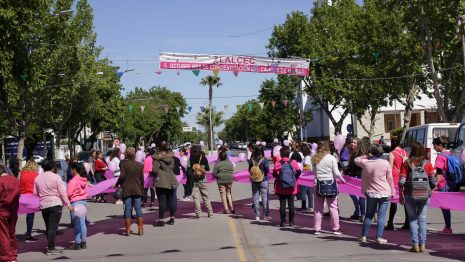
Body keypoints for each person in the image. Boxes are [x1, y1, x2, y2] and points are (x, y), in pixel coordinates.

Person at [399, 142, 436, 253]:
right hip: (424, 195)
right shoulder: (427, 164)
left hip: (410, 194)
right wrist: (431, 190)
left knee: (413, 219)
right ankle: (423, 245)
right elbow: (433, 181)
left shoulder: (406, 163)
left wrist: (401, 194)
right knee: (422, 219)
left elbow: (402, 181)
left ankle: (415, 244)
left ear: (412, 151)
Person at [355, 144, 395, 244]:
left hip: (371, 192)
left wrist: (367, 156)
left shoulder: (366, 163)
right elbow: (390, 179)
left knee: (369, 215)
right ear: (382, 153)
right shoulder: (385, 163)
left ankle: (364, 236)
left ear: (371, 152)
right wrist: (392, 190)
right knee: (381, 216)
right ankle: (379, 237)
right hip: (384, 192)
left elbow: (356, 159)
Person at [34, 159, 73, 255]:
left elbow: (35, 193)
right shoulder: (56, 177)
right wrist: (68, 204)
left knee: (48, 227)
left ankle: (50, 246)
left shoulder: (37, 178)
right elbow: (62, 192)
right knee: (53, 227)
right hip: (55, 204)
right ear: (52, 166)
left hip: (44, 205)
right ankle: (51, 248)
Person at [312, 141, 346, 235]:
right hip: (330, 184)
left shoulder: (314, 158)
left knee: (318, 208)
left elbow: (314, 172)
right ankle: (336, 228)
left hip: (318, 183)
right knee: (333, 207)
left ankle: (317, 228)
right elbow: (336, 172)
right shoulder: (331, 158)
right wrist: (342, 179)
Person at [115, 147, 144, 236]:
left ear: (126, 154)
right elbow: (142, 179)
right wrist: (142, 189)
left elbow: (122, 176)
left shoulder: (124, 164)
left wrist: (117, 184)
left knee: (128, 208)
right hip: (137, 189)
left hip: (127, 189)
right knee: (138, 208)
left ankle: (127, 230)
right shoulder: (139, 165)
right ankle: (140, 229)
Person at [432, 136, 456, 234]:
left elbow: (439, 172)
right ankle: (448, 226)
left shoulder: (440, 157)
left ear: (440, 146)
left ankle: (448, 227)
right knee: (447, 206)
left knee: (444, 206)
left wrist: (436, 185)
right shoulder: (450, 154)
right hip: (451, 183)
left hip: (443, 184)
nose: (434, 147)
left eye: (435, 145)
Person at [273, 146, 301, 227]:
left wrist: (280, 178)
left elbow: (274, 174)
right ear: (289, 154)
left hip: (281, 187)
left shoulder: (278, 163)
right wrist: (294, 179)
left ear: (281, 154)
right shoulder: (294, 162)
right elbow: (298, 172)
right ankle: (291, 221)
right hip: (292, 187)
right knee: (291, 205)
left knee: (282, 205)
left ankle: (283, 221)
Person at [152, 144, 179, 226]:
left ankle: (161, 220)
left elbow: (155, 170)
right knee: (171, 200)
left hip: (161, 180)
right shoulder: (171, 158)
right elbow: (173, 167)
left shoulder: (157, 159)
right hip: (171, 179)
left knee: (162, 201)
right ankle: (172, 218)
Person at [386, 140, 409, 230]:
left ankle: (390, 222)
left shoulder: (392, 153)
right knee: (405, 200)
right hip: (404, 175)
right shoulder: (405, 152)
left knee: (393, 201)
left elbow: (390, 167)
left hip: (395, 176)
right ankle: (407, 222)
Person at [0, 164, 20, 262]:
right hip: (13, 210)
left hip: (2, 211)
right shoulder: (15, 180)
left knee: (4, 235)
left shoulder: (0, 181)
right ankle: (13, 256)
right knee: (12, 234)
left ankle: (6, 257)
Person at [67, 163, 89, 250]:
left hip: (75, 203)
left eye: (71, 169)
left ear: (74, 170)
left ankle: (77, 243)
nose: (71, 171)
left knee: (76, 224)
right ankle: (83, 242)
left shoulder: (73, 181)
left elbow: (68, 193)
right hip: (83, 202)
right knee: (83, 223)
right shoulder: (84, 180)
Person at [189, 144, 213, 218]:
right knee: (205, 197)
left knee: (196, 197)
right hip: (202, 179)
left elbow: (189, 169)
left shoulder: (191, 157)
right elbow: (208, 169)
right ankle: (210, 213)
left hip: (194, 179)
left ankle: (198, 213)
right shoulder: (203, 157)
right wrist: (202, 168)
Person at [346, 137, 367, 221]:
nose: (352, 144)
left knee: (358, 195)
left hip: (357, 176)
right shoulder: (352, 152)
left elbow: (352, 166)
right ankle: (359, 212)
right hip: (357, 175)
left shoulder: (357, 154)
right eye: (352, 142)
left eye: (355, 143)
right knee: (356, 195)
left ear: (358, 144)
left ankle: (361, 213)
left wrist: (346, 170)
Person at [19, 160, 39, 242]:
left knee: (24, 215)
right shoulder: (36, 175)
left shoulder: (22, 173)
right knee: (31, 216)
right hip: (32, 197)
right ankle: (28, 234)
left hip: (23, 196)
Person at [249, 144, 271, 221]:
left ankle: (257, 215)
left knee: (255, 197)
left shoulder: (251, 160)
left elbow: (249, 170)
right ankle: (266, 215)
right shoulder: (264, 160)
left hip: (254, 180)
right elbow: (267, 170)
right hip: (263, 179)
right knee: (265, 197)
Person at [212, 147, 235, 214]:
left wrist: (218, 175)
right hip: (230, 179)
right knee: (228, 193)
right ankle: (232, 208)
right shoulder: (230, 163)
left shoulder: (218, 164)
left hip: (221, 180)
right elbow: (232, 170)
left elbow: (214, 173)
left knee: (223, 194)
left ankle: (226, 209)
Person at [299, 143, 313, 212]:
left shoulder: (307, 158)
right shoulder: (309, 157)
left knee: (304, 193)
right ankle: (311, 206)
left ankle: (304, 207)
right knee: (309, 192)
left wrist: (301, 169)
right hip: (309, 177)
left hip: (305, 177)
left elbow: (307, 167)